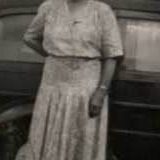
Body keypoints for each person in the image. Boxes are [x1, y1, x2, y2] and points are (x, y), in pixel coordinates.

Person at [15, 0, 123, 159]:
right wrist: (56, 56)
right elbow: (30, 37)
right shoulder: (49, 7)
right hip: (52, 86)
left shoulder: (102, 11)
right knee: (47, 135)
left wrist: (100, 93)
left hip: (86, 88)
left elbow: (112, 55)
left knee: (81, 139)